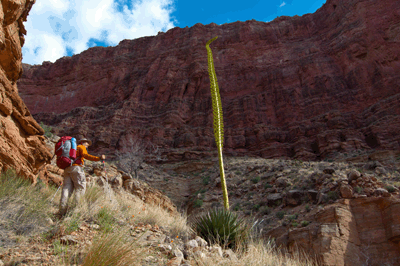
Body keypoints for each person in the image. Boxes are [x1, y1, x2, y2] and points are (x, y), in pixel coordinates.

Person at [59, 138, 106, 216]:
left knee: (66, 189)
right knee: (80, 188)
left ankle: (62, 210)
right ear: (83, 142)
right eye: (87, 143)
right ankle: (74, 211)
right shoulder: (81, 147)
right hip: (77, 168)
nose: (87, 145)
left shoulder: (72, 149)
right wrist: (99, 158)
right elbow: (86, 155)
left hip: (67, 169)